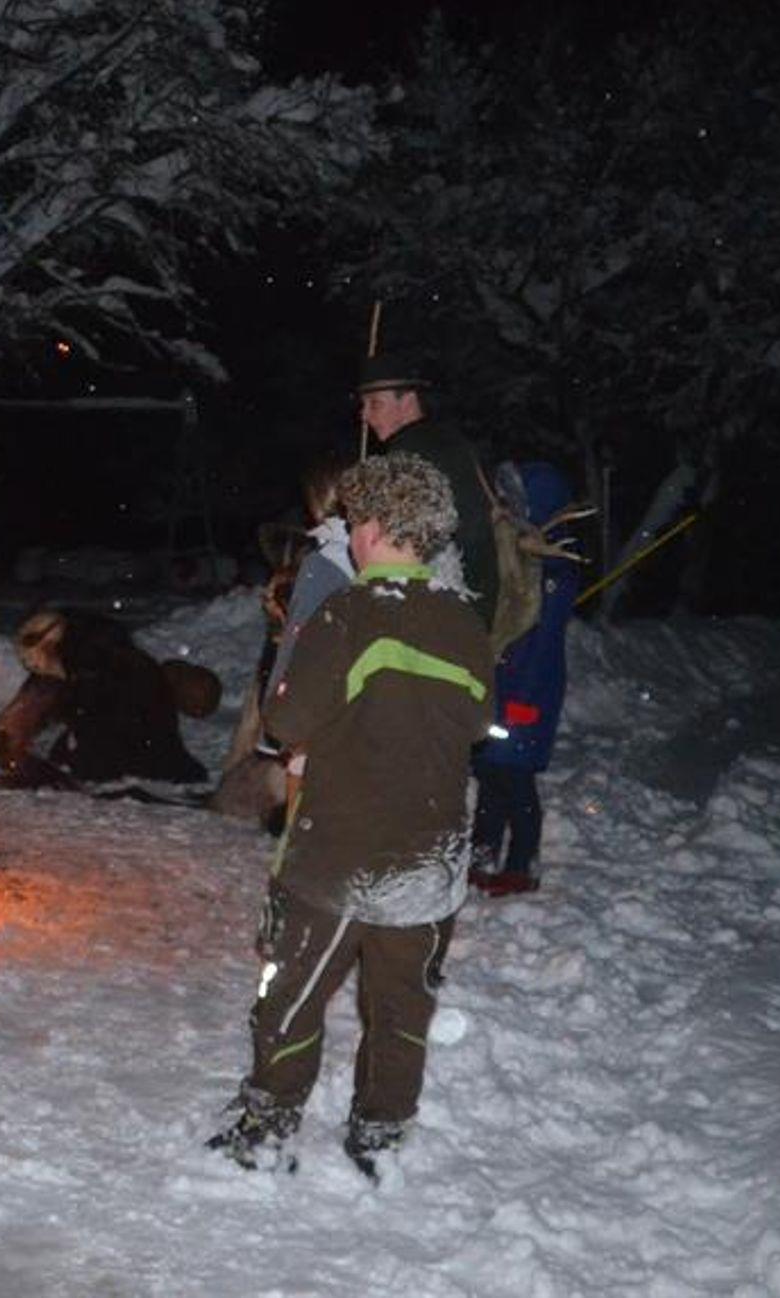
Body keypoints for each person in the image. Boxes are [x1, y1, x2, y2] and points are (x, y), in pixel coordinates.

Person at [209, 453, 494, 1179]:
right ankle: (381, 1132)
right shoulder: (464, 621)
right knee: (402, 1008)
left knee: (293, 995)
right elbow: (475, 721)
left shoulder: (346, 614)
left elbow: (286, 720)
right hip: (430, 860)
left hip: (340, 854)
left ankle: (269, 1125)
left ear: (369, 528)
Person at [216, 457, 355, 832]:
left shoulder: (325, 564)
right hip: (343, 695)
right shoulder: (359, 555)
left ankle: (300, 830)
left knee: (305, 777)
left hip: (314, 694)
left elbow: (297, 645)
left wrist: (278, 711)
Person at [471, 461, 583, 896]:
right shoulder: (516, 555)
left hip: (528, 691)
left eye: (518, 503)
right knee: (490, 770)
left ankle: (522, 863)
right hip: (500, 684)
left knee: (515, 777)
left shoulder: (554, 565)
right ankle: (482, 853)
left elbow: (544, 641)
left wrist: (525, 700)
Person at [0, 607, 207, 791]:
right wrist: (0, 738)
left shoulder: (99, 664)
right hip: (136, 741)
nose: (34, 667)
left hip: (139, 747)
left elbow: (105, 721)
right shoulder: (77, 657)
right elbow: (32, 701)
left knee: (78, 759)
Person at [356, 353, 498, 623]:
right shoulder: (450, 440)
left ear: (408, 401)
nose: (365, 415)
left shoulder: (409, 455)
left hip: (443, 609)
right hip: (479, 601)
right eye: (363, 405)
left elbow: (402, 546)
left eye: (375, 404)